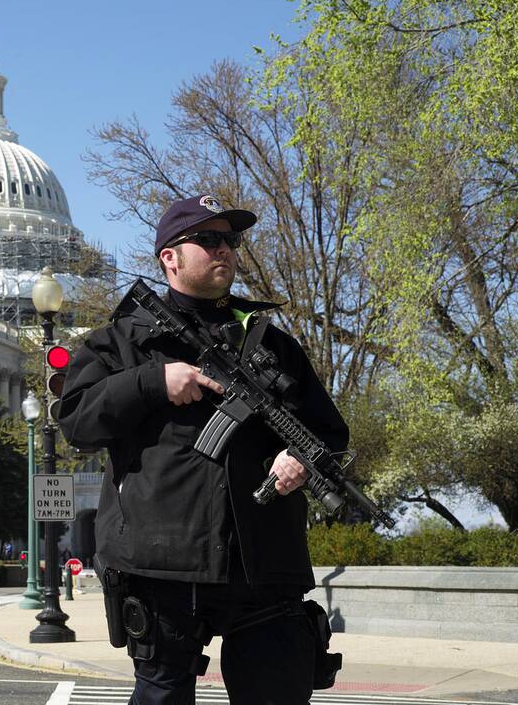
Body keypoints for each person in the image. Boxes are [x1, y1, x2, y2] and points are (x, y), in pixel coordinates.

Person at [58, 195, 349, 705]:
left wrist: (301, 458)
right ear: (170, 257)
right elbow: (77, 422)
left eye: (231, 241)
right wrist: (151, 382)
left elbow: (328, 430)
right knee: (163, 695)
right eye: (209, 240)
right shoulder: (121, 342)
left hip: (265, 561)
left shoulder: (271, 344)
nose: (226, 251)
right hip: (161, 564)